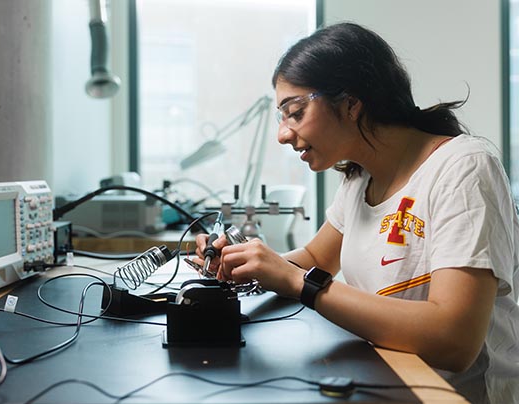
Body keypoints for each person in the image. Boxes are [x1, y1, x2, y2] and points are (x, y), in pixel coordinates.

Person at [194, 22, 519, 404]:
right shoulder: (361, 179)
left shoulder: (463, 168)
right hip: (380, 378)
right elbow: (316, 258)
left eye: (295, 112)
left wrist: (299, 282)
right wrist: (247, 262)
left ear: (351, 103)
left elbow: (454, 341)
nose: (282, 134)